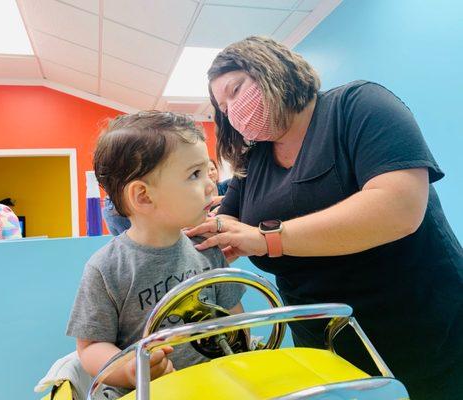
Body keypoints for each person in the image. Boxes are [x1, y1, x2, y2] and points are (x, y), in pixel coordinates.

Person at [186, 36, 463, 400]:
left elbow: (399, 208)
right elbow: (221, 228)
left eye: (236, 91)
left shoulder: (359, 105)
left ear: (271, 68)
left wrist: (269, 238)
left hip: (423, 323)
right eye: (222, 108)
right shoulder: (255, 161)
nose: (232, 112)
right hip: (324, 340)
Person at [67, 111, 245, 399]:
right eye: (194, 174)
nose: (211, 184)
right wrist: (130, 370)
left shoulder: (207, 247)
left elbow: (234, 319)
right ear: (144, 197)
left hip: (211, 386)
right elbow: (90, 347)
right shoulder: (106, 268)